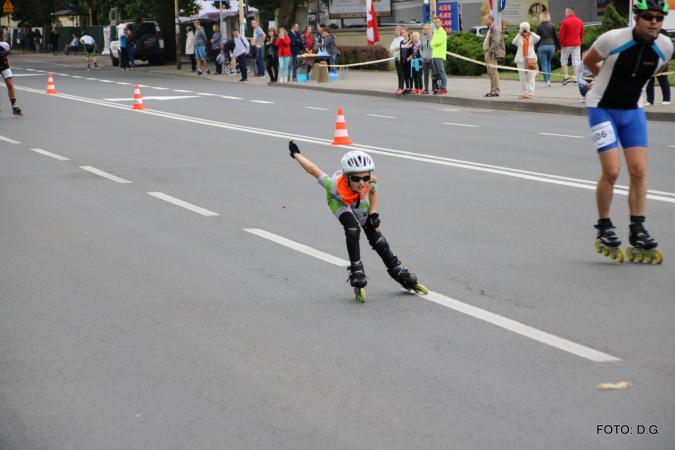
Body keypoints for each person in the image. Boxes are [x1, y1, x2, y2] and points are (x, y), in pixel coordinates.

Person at [582, 0, 673, 263]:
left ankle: (637, 228)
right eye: (648, 16)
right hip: (602, 107)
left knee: (639, 170)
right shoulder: (612, 38)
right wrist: (606, 82)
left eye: (659, 17)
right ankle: (604, 226)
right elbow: (589, 60)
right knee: (612, 171)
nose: (654, 21)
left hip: (633, 109)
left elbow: (658, 68)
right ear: (636, 18)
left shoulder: (665, 46)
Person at [287, 139, 427, 302]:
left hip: (358, 200)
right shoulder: (333, 185)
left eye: (365, 177)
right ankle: (356, 270)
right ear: (347, 177)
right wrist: (296, 154)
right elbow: (312, 169)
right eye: (356, 178)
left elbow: (373, 193)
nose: (361, 182)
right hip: (338, 199)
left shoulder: (367, 183)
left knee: (376, 237)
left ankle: (396, 270)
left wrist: (373, 213)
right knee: (352, 229)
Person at [645, 29, 672, 106]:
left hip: (661, 61)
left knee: (663, 79)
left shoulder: (663, 32)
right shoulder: (648, 33)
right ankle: (650, 100)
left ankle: (666, 99)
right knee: (649, 81)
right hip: (650, 61)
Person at [513, 22, 540, 99]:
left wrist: (530, 33)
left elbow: (538, 38)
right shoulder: (519, 37)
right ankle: (524, 92)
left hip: (530, 58)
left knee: (531, 75)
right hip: (521, 58)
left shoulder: (531, 37)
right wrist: (519, 34)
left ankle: (531, 92)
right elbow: (514, 42)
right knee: (522, 76)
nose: (524, 30)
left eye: (525, 28)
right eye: (522, 28)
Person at [559, 7, 584, 85]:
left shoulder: (565, 21)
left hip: (567, 44)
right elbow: (581, 33)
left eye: (565, 12)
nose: (565, 14)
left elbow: (561, 35)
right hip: (576, 44)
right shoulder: (579, 21)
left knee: (564, 60)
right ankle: (576, 78)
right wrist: (579, 42)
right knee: (576, 61)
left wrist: (559, 45)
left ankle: (566, 77)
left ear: (569, 12)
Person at [535, 11, 561, 87]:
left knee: (544, 64)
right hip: (551, 45)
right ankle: (549, 80)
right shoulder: (552, 26)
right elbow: (556, 37)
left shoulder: (538, 26)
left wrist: (535, 50)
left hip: (542, 45)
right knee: (548, 63)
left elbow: (537, 39)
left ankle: (546, 81)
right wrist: (559, 47)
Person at [483, 14, 506, 97]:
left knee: (493, 71)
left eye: (486, 19)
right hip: (488, 52)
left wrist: (490, 51)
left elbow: (496, 41)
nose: (484, 21)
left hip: (492, 53)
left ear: (490, 20)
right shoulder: (489, 28)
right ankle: (492, 90)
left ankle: (496, 90)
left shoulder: (495, 28)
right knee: (490, 72)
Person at [0, 41, 23, 116]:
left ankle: (14, 105)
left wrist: (5, 59)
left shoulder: (4, 45)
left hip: (4, 66)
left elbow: (9, 51)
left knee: (10, 84)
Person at [430, 17, 448, 94]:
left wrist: (434, 43)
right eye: (435, 22)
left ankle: (443, 87)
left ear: (441, 23)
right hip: (434, 54)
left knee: (441, 71)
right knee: (436, 73)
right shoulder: (435, 32)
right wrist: (434, 43)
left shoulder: (442, 32)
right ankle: (438, 86)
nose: (436, 23)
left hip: (440, 55)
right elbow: (432, 44)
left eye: (437, 22)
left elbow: (438, 42)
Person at [390, 26, 404, 94]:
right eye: (396, 30)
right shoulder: (395, 39)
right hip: (395, 57)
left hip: (400, 57)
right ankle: (399, 87)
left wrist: (395, 47)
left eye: (398, 30)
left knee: (401, 73)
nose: (397, 32)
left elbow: (399, 46)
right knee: (398, 73)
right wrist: (395, 48)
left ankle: (402, 87)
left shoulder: (402, 39)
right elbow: (391, 48)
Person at [420, 24, 433, 94]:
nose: (427, 30)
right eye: (425, 29)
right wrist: (423, 55)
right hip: (425, 59)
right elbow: (421, 48)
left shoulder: (433, 37)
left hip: (432, 58)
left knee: (434, 73)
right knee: (425, 74)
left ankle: (435, 88)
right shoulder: (423, 38)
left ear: (431, 29)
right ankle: (426, 89)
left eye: (428, 29)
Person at [400, 28, 413, 94]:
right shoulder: (401, 42)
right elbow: (401, 51)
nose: (403, 34)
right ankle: (407, 87)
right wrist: (401, 59)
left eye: (404, 32)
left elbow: (412, 51)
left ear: (407, 32)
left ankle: (411, 87)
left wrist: (410, 56)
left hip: (408, 60)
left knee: (409, 74)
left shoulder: (410, 41)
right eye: (402, 32)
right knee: (405, 75)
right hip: (403, 60)